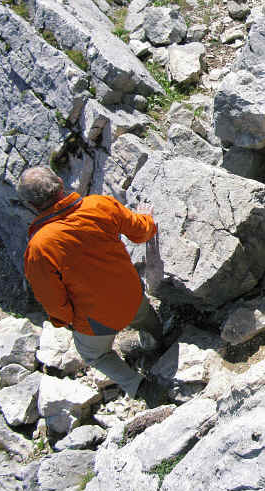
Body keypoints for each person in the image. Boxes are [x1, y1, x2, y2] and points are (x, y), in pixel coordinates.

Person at [17, 166, 168, 408]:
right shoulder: (98, 205)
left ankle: (139, 385)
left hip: (96, 318)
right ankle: (158, 345)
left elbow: (53, 301)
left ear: (31, 206)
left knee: (94, 355)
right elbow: (140, 232)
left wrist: (66, 321)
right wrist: (147, 219)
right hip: (130, 293)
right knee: (145, 317)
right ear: (59, 182)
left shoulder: (39, 248)